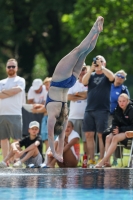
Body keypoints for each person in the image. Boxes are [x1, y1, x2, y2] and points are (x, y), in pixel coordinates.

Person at [46, 16, 104, 163]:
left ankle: (97, 33)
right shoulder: (52, 115)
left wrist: (58, 153)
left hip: (70, 82)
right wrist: (54, 152)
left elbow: (58, 136)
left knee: (85, 52)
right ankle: (94, 29)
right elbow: (51, 136)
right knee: (78, 50)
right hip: (59, 81)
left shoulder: (64, 116)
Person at [82, 55, 114, 166]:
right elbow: (83, 81)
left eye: (100, 61)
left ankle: (102, 158)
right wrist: (91, 69)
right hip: (89, 109)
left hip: (102, 109)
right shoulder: (91, 75)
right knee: (88, 135)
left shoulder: (106, 75)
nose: (97, 63)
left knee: (101, 135)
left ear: (104, 63)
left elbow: (112, 77)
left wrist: (102, 67)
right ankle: (91, 159)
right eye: (96, 61)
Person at [95, 93, 133, 168]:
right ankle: (107, 162)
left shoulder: (131, 109)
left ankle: (103, 160)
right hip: (121, 130)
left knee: (115, 138)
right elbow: (114, 122)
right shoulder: (117, 109)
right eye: (120, 101)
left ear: (127, 101)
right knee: (108, 137)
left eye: (123, 101)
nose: (121, 103)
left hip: (130, 131)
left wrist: (120, 129)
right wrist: (114, 128)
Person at [103, 69, 130, 165]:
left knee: (115, 135)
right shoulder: (108, 86)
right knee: (105, 135)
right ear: (115, 75)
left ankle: (115, 158)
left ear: (124, 80)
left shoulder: (123, 89)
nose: (120, 77)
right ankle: (106, 159)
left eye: (122, 77)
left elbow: (128, 103)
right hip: (104, 113)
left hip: (116, 116)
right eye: (119, 75)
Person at [0, 58, 26, 159]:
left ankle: (16, 160)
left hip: (15, 113)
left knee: (16, 139)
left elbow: (17, 91)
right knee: (3, 139)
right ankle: (6, 161)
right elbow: (2, 95)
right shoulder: (1, 81)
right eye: (9, 66)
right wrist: (10, 91)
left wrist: (3, 91)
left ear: (17, 68)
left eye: (13, 66)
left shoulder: (20, 80)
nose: (11, 68)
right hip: (1, 113)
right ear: (6, 68)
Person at [67, 64, 88, 154]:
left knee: (86, 140)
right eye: (80, 69)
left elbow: (88, 94)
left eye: (83, 69)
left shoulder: (90, 83)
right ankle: (75, 158)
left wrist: (76, 94)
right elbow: (68, 96)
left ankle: (86, 159)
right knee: (72, 140)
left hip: (86, 117)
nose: (81, 72)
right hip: (73, 117)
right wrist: (82, 96)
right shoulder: (73, 83)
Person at [32, 77, 52, 151]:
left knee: (49, 140)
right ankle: (48, 159)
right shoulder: (48, 94)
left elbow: (48, 108)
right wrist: (39, 105)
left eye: (48, 84)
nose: (47, 86)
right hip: (46, 118)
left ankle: (49, 160)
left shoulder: (54, 94)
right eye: (46, 85)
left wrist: (37, 110)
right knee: (46, 140)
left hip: (50, 119)